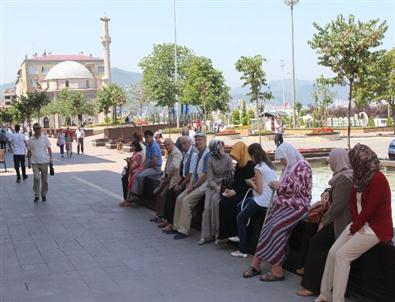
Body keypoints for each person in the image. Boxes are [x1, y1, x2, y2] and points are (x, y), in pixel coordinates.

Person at [315, 144, 393, 302]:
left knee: (342, 256)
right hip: (359, 224)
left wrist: (355, 227)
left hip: (374, 229)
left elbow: (370, 209)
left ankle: (338, 299)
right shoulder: (359, 176)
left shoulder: (378, 179)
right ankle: (324, 294)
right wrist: (355, 226)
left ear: (359, 162)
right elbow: (352, 201)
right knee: (332, 253)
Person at [243, 142, 312, 281]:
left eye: (283, 159)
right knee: (267, 226)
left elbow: (298, 188)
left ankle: (277, 270)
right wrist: (279, 187)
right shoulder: (289, 167)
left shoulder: (304, 166)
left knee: (277, 228)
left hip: (298, 206)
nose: (282, 162)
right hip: (285, 204)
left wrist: (279, 186)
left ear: (289, 154)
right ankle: (256, 264)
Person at [296, 148, 353, 297]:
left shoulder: (345, 178)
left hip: (341, 222)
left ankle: (312, 286)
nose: (329, 162)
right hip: (335, 218)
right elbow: (333, 192)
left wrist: (325, 221)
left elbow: (338, 206)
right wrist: (326, 193)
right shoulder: (341, 175)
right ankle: (303, 266)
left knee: (317, 242)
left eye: (331, 159)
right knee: (309, 227)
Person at [230, 143, 277, 258]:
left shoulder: (257, 167)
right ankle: (241, 234)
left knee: (240, 218)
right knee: (240, 205)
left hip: (261, 200)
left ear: (253, 155)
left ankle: (242, 250)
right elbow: (264, 182)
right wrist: (254, 179)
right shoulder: (268, 165)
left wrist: (251, 183)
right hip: (269, 199)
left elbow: (259, 190)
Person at [172, 132, 210, 240]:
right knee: (179, 198)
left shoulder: (207, 154)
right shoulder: (198, 154)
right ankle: (176, 226)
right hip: (195, 184)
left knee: (186, 201)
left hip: (203, 186)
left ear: (205, 141)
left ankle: (183, 230)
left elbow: (205, 176)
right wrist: (191, 185)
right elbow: (193, 173)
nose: (198, 142)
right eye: (196, 140)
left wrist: (193, 187)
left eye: (200, 140)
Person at [217, 142, 255, 241]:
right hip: (238, 190)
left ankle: (232, 233)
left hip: (246, 192)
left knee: (230, 204)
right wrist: (230, 189)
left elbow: (248, 185)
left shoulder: (250, 165)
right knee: (222, 202)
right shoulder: (239, 165)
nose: (236, 159)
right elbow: (237, 181)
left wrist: (235, 191)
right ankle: (224, 234)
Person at [198, 139, 233, 245]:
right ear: (215, 149)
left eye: (223, 147)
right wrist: (215, 186)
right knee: (206, 209)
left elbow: (230, 174)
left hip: (224, 185)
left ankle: (218, 234)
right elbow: (209, 178)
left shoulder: (227, 158)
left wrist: (222, 187)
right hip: (212, 185)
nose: (223, 149)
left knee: (216, 204)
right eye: (220, 147)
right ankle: (205, 235)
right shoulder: (210, 159)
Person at [160, 136, 197, 232]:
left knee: (175, 195)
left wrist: (180, 184)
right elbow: (182, 171)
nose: (183, 145)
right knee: (169, 194)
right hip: (181, 179)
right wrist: (178, 183)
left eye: (184, 143)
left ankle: (172, 223)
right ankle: (168, 221)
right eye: (181, 144)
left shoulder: (192, 153)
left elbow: (190, 173)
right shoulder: (184, 153)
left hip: (189, 182)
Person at [151, 138, 182, 222]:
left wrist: (167, 177)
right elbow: (167, 167)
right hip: (167, 178)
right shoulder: (171, 152)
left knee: (162, 195)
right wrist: (164, 177)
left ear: (173, 143)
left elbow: (174, 167)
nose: (167, 147)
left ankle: (162, 216)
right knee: (157, 194)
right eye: (165, 145)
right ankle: (158, 215)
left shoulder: (176, 153)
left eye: (168, 145)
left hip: (173, 179)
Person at [128, 130, 162, 202]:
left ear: (152, 137)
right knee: (137, 173)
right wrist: (142, 168)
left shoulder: (154, 146)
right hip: (150, 167)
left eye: (147, 137)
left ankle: (137, 195)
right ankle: (133, 194)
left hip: (155, 168)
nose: (146, 139)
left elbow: (154, 162)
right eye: (145, 137)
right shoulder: (148, 146)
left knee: (140, 176)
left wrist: (146, 167)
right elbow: (146, 159)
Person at [27, 123, 52, 202]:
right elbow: (29, 151)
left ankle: (44, 194)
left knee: (44, 181)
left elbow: (49, 148)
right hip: (35, 163)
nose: (39, 130)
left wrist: (50, 158)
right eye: (37, 128)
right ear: (34, 130)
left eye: (39, 128)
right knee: (36, 178)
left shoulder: (44, 138)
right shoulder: (30, 139)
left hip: (44, 162)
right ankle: (36, 195)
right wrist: (28, 161)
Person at [119, 141, 145, 207]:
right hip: (132, 170)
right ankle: (126, 200)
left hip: (135, 171)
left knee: (129, 186)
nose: (132, 147)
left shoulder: (139, 154)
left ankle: (128, 201)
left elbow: (137, 164)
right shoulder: (135, 153)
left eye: (133, 146)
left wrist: (130, 166)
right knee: (127, 185)